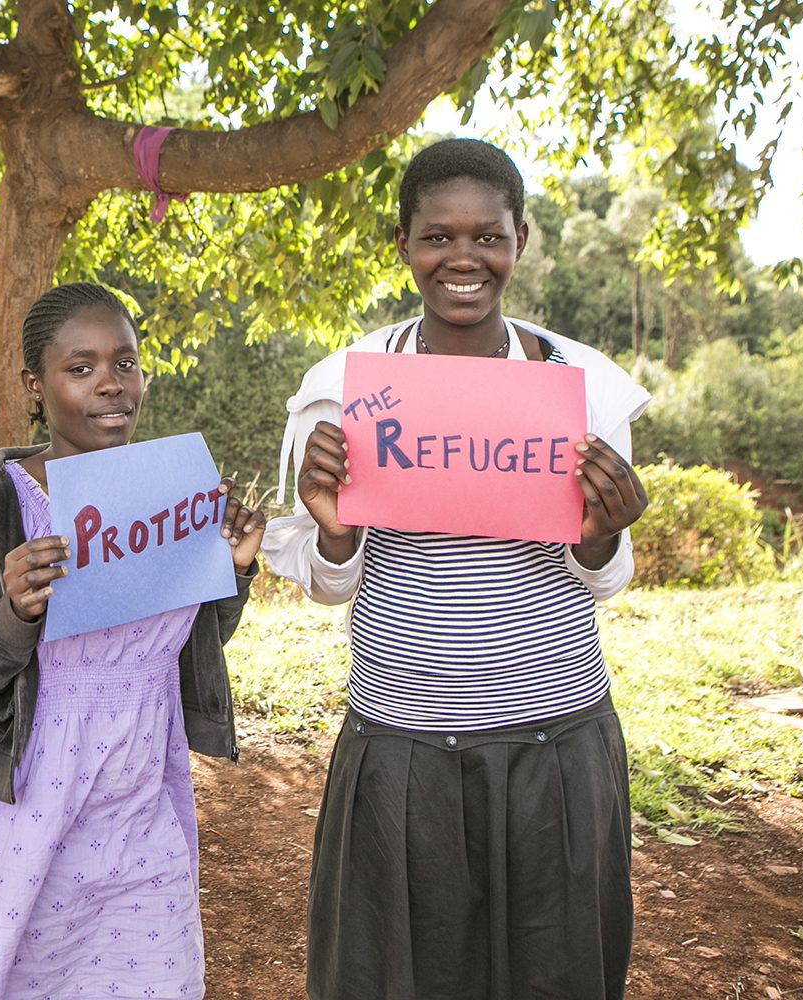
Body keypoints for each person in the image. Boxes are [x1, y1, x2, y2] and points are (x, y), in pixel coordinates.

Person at [263, 137, 652, 999]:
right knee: (398, 973)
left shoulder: (583, 388)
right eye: (437, 237)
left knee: (553, 973)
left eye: (489, 236)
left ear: (521, 240)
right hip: (401, 745)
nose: (463, 259)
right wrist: (332, 532)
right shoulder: (343, 389)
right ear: (402, 244)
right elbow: (330, 582)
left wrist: (599, 532)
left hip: (553, 741)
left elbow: (606, 578)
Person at [0, 282, 267, 999]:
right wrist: (14, 612)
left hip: (141, 814)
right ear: (34, 386)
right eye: (81, 368)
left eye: (126, 364)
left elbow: (190, 646)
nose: (110, 383)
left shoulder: (172, 497)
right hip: (21, 821)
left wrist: (233, 570)